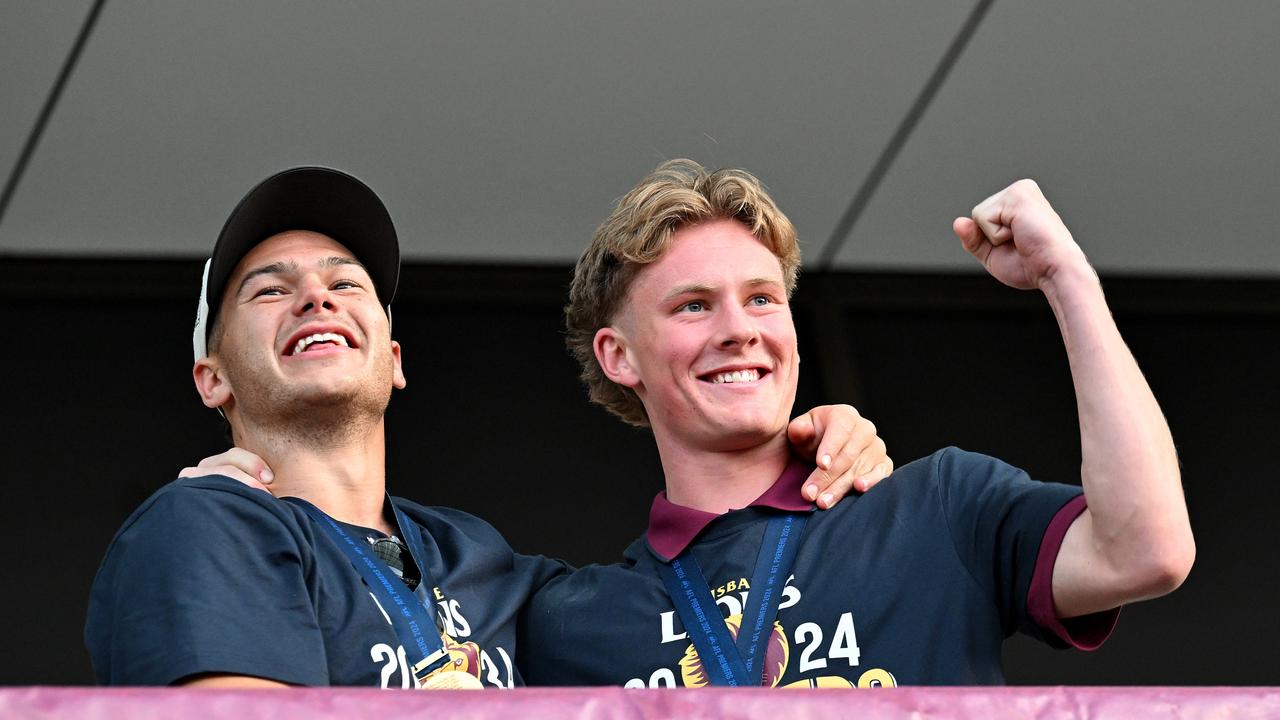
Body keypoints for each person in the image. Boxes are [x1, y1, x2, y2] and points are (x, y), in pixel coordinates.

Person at [84, 166, 891, 688]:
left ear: (394, 357)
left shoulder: (496, 575)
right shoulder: (203, 526)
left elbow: (680, 598)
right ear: (211, 378)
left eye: (346, 283)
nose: (316, 298)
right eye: (269, 290)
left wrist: (800, 448)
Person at [516, 160, 1195, 686]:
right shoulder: (569, 623)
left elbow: (1145, 551)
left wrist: (1066, 277)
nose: (739, 332)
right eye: (694, 306)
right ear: (619, 356)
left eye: (761, 299)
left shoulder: (935, 508)